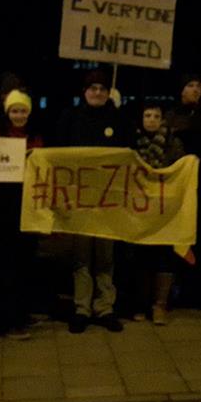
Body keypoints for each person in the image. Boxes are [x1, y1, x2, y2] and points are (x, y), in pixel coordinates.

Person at [55, 70, 126, 333]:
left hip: (108, 199)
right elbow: (58, 152)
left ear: (108, 93)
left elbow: (128, 154)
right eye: (92, 88)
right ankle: (81, 308)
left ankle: (105, 307)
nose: (97, 92)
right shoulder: (70, 118)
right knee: (82, 256)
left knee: (106, 255)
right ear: (84, 92)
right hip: (80, 199)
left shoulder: (119, 119)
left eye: (102, 89)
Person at [0, 89, 45, 339]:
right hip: (4, 209)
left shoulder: (36, 136)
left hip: (29, 207)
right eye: (15, 111)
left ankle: (22, 312)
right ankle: (9, 320)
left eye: (23, 111)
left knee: (26, 261)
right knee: (7, 263)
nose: (19, 115)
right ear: (7, 113)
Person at [129, 102, 184, 324]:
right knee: (140, 256)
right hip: (140, 210)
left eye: (156, 116)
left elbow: (180, 172)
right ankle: (141, 304)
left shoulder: (173, 143)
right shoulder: (131, 144)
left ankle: (160, 305)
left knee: (164, 256)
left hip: (164, 210)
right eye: (147, 115)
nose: (151, 120)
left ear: (162, 120)